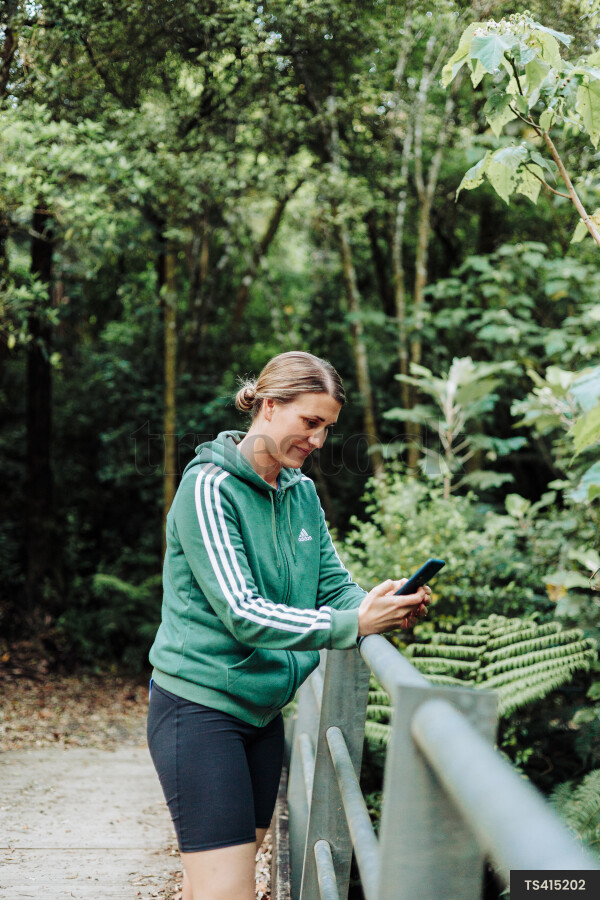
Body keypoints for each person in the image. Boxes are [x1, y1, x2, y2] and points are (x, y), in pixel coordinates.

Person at [147, 350, 431, 900]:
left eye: (327, 428)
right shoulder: (208, 488)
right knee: (226, 891)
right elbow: (243, 612)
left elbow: (332, 585)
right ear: (269, 406)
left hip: (262, 715)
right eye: (311, 423)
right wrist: (353, 621)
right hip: (199, 711)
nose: (319, 440)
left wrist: (378, 602)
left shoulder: (299, 491)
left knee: (213, 886)